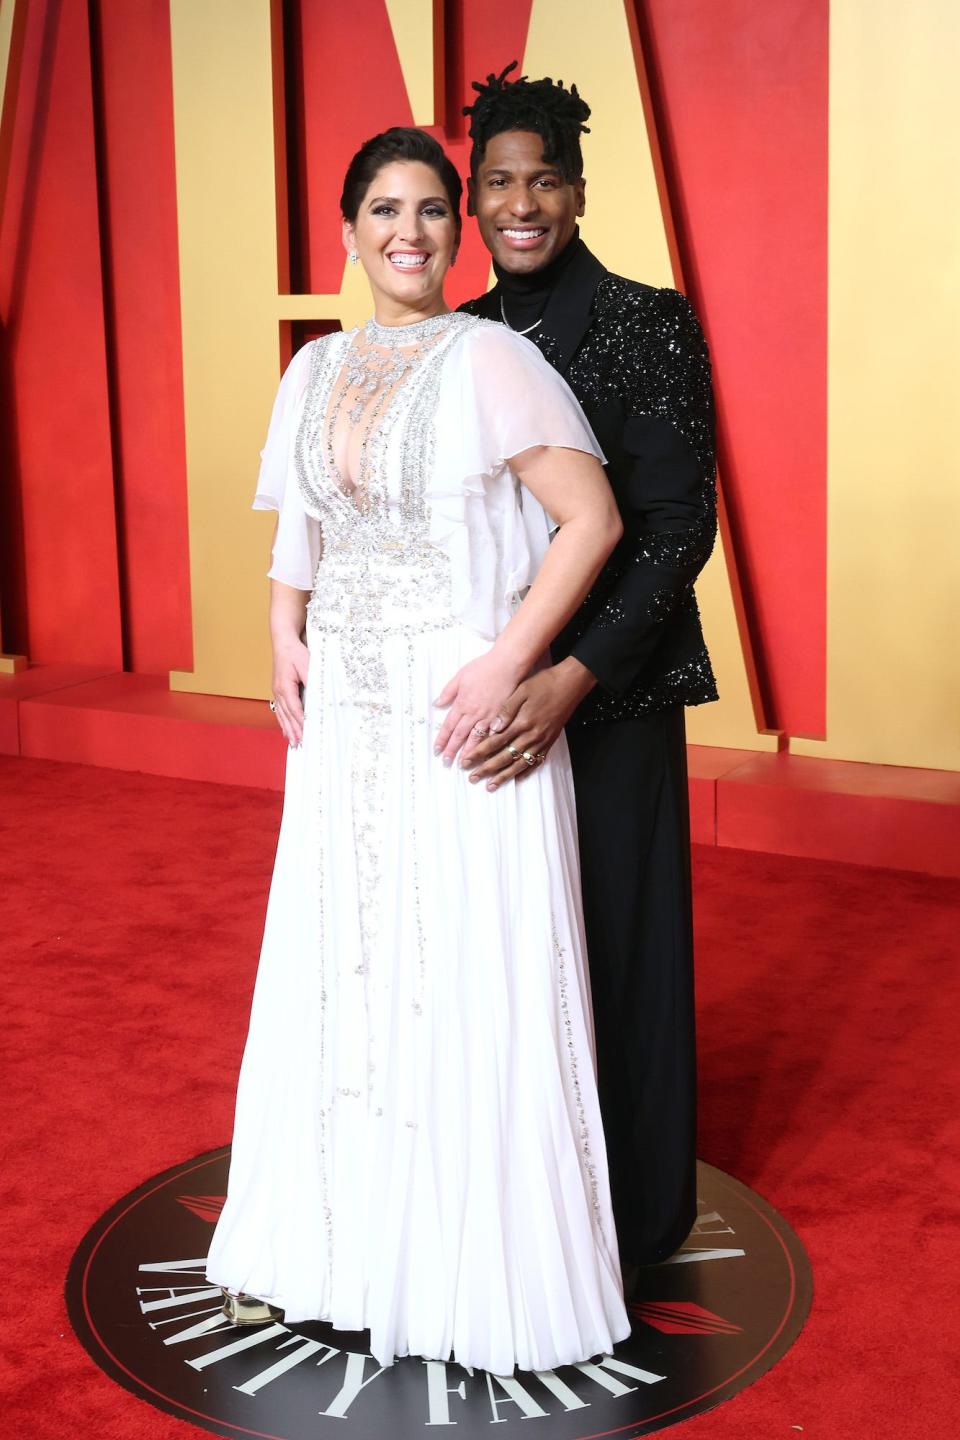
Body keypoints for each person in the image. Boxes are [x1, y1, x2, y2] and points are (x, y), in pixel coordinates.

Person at [206, 126, 631, 1376]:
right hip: (344, 713)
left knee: (457, 965)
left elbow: (592, 519)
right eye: (386, 209)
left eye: (434, 209)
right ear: (348, 232)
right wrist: (282, 632)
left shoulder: (494, 356)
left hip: (457, 707)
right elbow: (300, 537)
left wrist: (512, 661)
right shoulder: (313, 371)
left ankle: (462, 1277)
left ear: (456, 233)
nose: (411, 229)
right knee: (348, 961)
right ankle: (339, 1252)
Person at [457, 65, 718, 1277]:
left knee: (620, 943)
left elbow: (676, 526)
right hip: (488, 698)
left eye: (544, 180)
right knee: (508, 949)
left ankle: (636, 1212)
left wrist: (573, 677)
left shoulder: (644, 318)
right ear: (473, 199)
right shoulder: (452, 336)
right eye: (499, 183)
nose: (523, 204)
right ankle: (520, 1192)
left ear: (577, 190)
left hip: (607, 694)